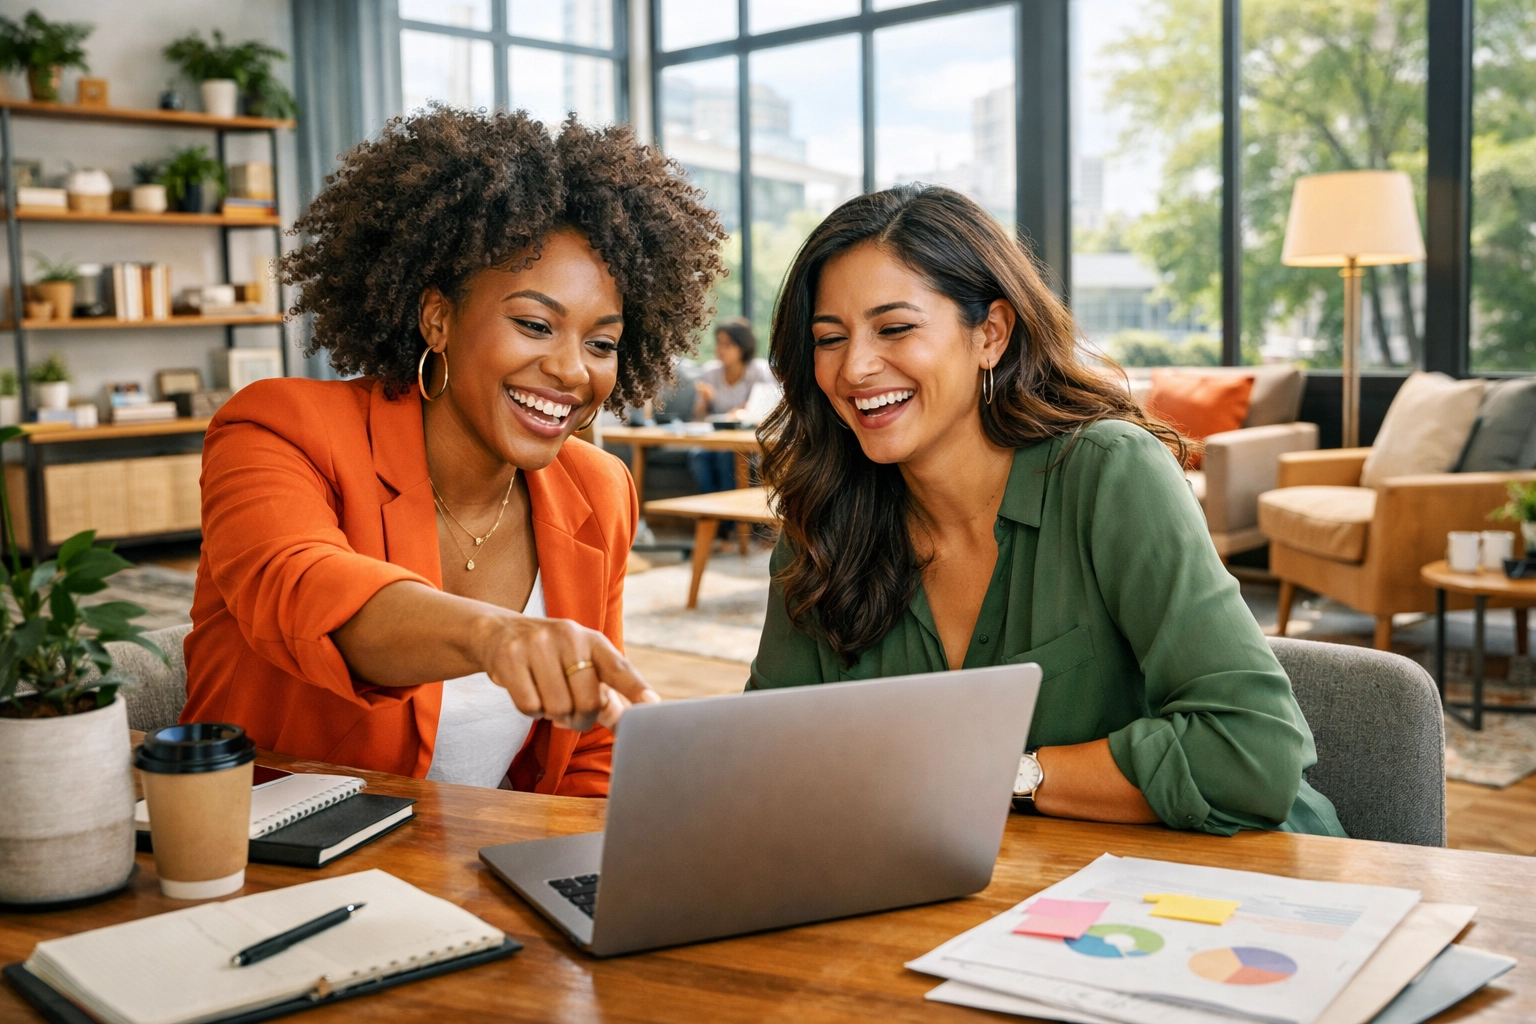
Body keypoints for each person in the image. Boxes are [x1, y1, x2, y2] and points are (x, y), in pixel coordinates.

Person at [750, 184, 1344, 837]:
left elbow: (1251, 754)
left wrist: (1003, 774)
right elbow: (773, 757)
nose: (855, 367)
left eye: (895, 328)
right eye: (829, 338)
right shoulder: (822, 526)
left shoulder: (1110, 474)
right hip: (980, 895)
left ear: (991, 335)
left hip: (1224, 886)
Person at [183, 108, 727, 795]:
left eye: (601, 343)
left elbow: (589, 747)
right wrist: (495, 638)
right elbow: (306, 593)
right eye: (535, 324)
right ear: (438, 318)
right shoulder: (280, 427)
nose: (570, 370)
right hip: (275, 870)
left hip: (481, 876)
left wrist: (589, 872)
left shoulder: (599, 488)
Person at [688, 318, 774, 494]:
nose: (720, 349)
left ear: (742, 347)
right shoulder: (710, 372)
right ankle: (712, 513)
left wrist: (745, 411)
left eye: (727, 344)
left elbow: (768, 410)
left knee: (726, 456)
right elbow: (698, 418)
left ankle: (729, 519)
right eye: (719, 342)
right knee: (697, 455)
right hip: (716, 439)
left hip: (746, 441)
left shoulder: (759, 371)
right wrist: (705, 401)